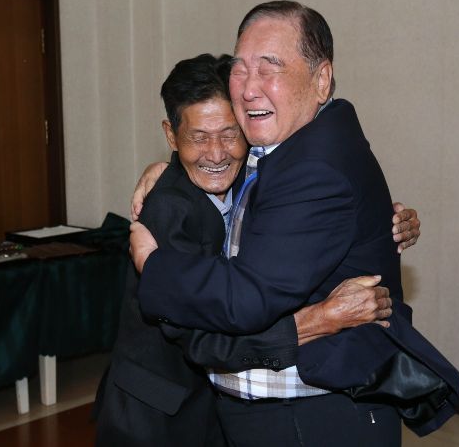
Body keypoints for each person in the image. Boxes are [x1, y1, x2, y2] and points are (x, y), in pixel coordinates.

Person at [130, 1, 459, 446]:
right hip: (251, 410)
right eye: (240, 69)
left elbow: (244, 301)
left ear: (321, 79)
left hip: (310, 415)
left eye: (271, 68)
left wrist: (153, 265)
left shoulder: (310, 166)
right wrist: (165, 169)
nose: (249, 88)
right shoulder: (277, 147)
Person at [93, 54, 406, 447]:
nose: (217, 153)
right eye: (198, 137)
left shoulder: (257, 176)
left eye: (229, 133)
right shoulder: (168, 213)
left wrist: (376, 221)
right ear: (172, 136)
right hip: (156, 416)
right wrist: (319, 320)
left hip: (217, 405)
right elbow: (205, 341)